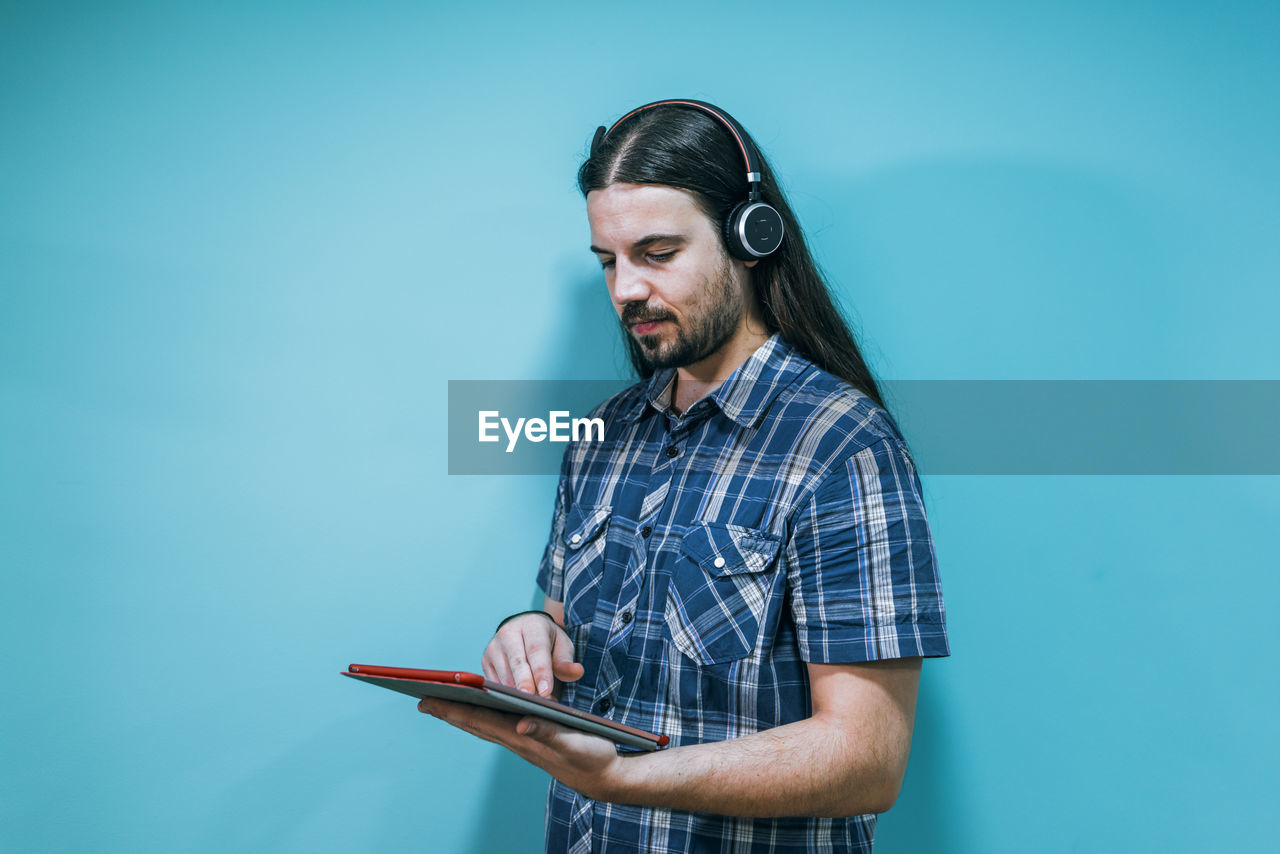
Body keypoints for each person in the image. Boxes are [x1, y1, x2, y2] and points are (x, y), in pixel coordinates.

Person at [420, 99, 950, 854]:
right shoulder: (600, 437)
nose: (625, 289)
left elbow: (867, 761)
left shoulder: (840, 445)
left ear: (750, 239)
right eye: (608, 260)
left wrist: (627, 779)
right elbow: (561, 622)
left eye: (657, 253)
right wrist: (528, 633)